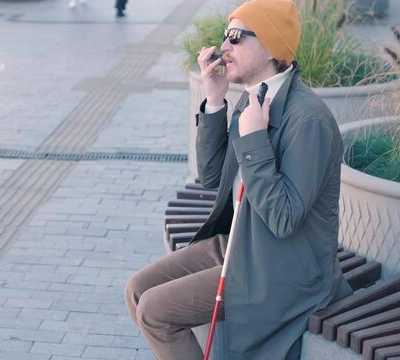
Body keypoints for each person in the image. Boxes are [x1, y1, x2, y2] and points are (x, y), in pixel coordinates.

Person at [124, 0, 353, 359]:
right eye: (225, 36)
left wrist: (254, 141)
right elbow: (213, 177)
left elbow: (283, 219)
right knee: (138, 289)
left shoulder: (308, 120)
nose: (224, 46)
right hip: (240, 242)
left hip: (282, 266)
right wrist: (214, 100)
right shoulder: (254, 102)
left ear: (271, 46)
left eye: (235, 37)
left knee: (155, 311)